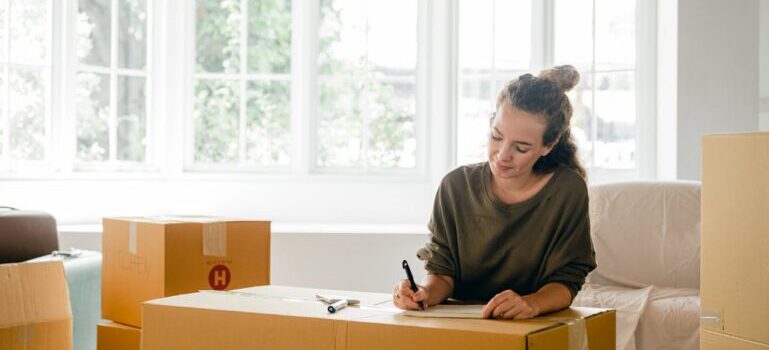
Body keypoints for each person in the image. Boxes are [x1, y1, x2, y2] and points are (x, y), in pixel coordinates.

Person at [393, 65, 596, 320]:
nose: (502, 156)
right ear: (491, 123)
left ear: (549, 145)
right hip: (460, 326)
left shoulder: (567, 191)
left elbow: (568, 279)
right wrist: (422, 293)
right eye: (496, 136)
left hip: (531, 325)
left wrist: (531, 303)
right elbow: (442, 273)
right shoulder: (455, 186)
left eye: (521, 148)